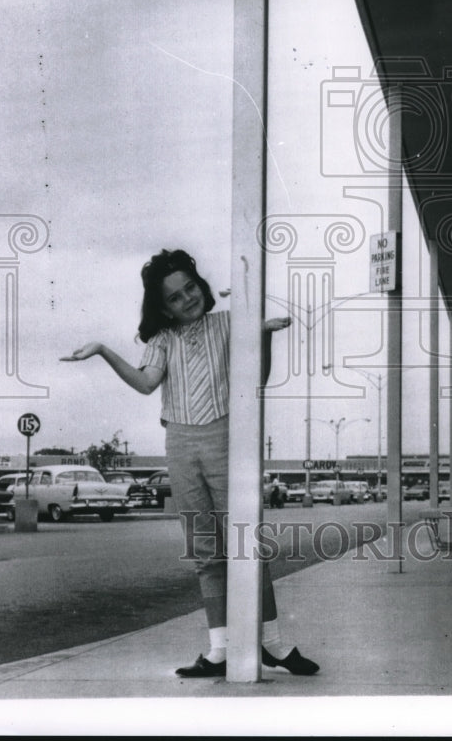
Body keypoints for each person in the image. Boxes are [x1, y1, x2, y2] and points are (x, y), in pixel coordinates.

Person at [61, 248, 319, 678]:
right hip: (180, 443)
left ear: (201, 286)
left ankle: (272, 643)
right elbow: (146, 384)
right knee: (205, 552)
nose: (187, 300)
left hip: (225, 438)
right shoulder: (162, 341)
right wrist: (104, 350)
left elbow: (256, 378)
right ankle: (219, 650)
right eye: (175, 297)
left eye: (190, 289)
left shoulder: (228, 323)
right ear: (163, 307)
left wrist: (265, 334)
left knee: (246, 544)